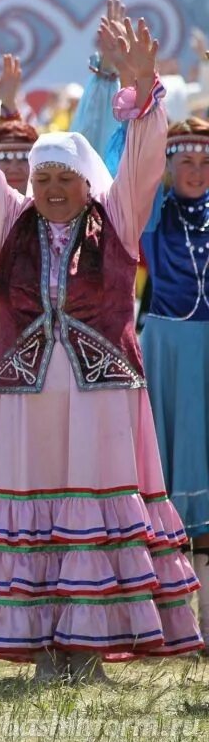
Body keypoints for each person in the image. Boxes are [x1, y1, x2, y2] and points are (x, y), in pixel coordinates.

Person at [0, 19, 202, 682]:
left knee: (95, 499)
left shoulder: (119, 218)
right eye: (44, 176)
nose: (52, 187)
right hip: (27, 394)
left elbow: (143, 156)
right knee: (36, 503)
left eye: (66, 177)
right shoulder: (8, 219)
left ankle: (90, 644)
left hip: (103, 392)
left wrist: (145, 88)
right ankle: (46, 646)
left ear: (88, 181)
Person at [140, 112, 209, 637]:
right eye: (185, 160)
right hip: (166, 347)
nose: (197, 170)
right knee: (168, 478)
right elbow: (134, 168)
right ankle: (169, 618)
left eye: (206, 161)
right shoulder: (155, 213)